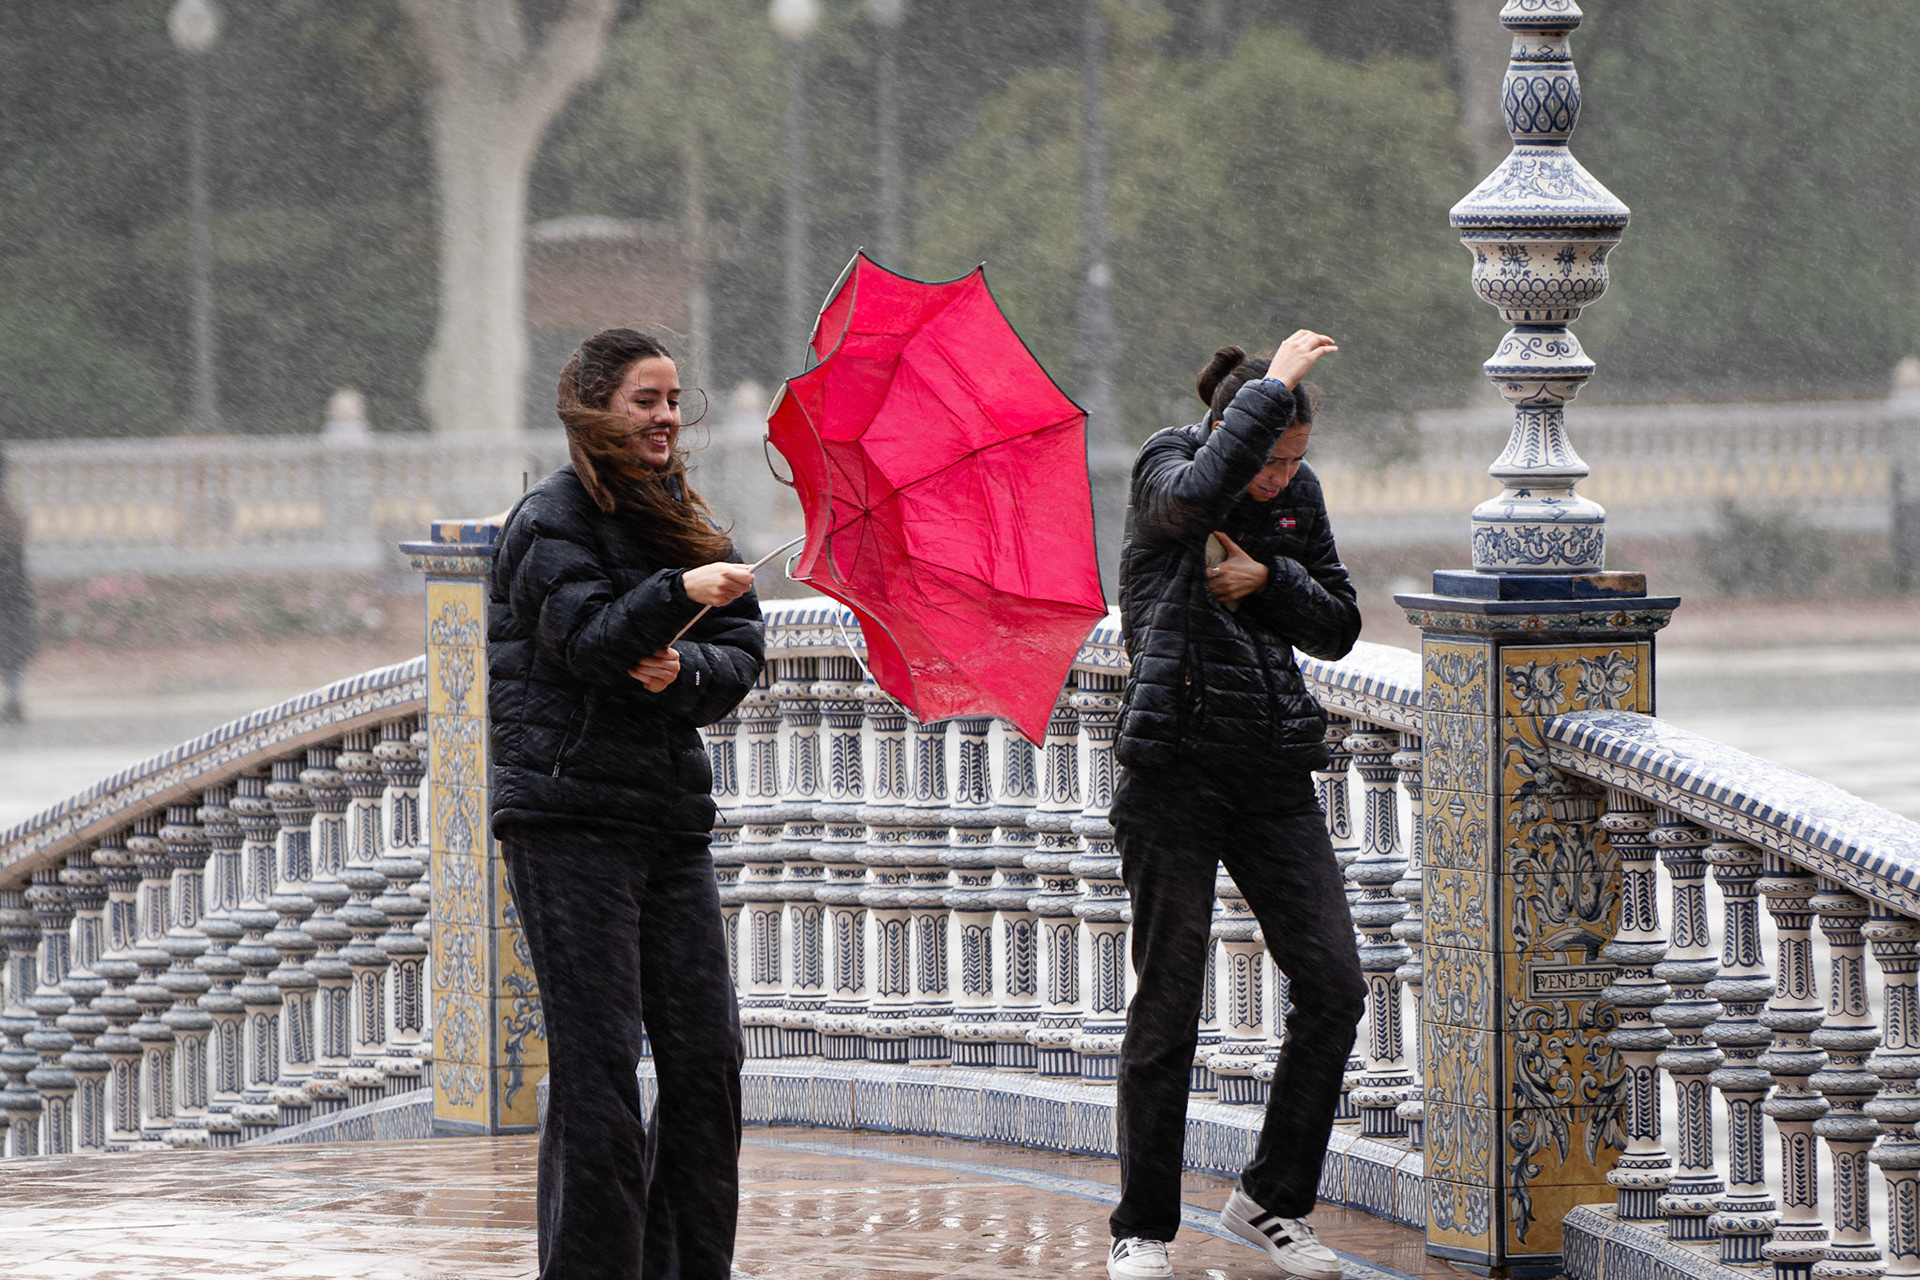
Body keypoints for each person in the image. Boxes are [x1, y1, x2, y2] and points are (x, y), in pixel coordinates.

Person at [488, 328, 762, 1280]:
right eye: (647, 400)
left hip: (668, 824)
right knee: (599, 1067)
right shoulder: (547, 519)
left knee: (708, 1059)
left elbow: (741, 657)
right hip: (566, 820)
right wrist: (673, 594)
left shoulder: (686, 518)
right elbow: (587, 641)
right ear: (595, 407)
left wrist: (689, 668)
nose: (667, 418)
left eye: (674, 400)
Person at [1107, 332, 1365, 1280]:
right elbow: (1193, 500)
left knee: (1335, 985)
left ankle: (1271, 1200)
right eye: (1270, 460)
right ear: (1230, 430)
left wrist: (1269, 581)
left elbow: (1339, 625)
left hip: (1271, 776)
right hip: (1172, 773)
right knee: (1169, 1005)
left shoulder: (1296, 497)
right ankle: (1142, 1229)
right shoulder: (1167, 468)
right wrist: (1278, 385)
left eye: (1295, 460)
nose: (1281, 478)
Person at [0, 452, 34, 724]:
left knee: (10, 647)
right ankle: (14, 697)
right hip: (12, 593)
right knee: (11, 648)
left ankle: (13, 698)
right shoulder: (12, 517)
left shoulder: (10, 518)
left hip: (9, 593)